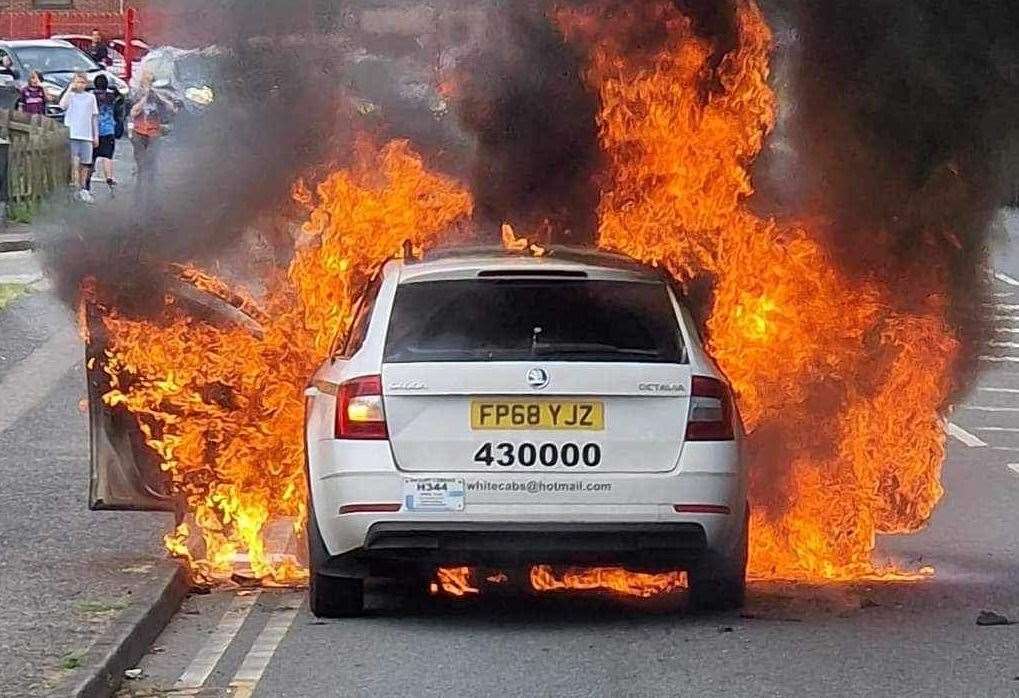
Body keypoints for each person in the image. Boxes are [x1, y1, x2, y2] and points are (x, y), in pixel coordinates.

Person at [130, 71, 175, 216]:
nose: (147, 84)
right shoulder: (137, 94)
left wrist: (157, 96)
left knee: (152, 164)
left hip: (154, 133)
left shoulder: (158, 95)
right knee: (142, 165)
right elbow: (133, 112)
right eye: (145, 82)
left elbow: (170, 109)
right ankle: (139, 197)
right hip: (139, 133)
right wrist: (144, 97)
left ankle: (151, 199)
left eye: (149, 82)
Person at [59, 71, 99, 204]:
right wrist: (70, 89)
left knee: (85, 163)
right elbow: (62, 105)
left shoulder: (90, 97)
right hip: (72, 133)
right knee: (73, 162)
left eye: (82, 82)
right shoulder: (71, 96)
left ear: (86, 84)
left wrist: (95, 135)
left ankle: (83, 188)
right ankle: (74, 187)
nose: (79, 85)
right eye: (77, 81)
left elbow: (94, 117)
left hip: (86, 134)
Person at [86, 74, 120, 195]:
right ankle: (109, 178)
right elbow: (119, 93)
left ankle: (86, 183)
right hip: (108, 129)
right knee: (107, 156)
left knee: (91, 159)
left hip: (92, 131)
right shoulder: (111, 95)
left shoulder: (91, 96)